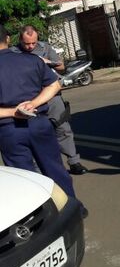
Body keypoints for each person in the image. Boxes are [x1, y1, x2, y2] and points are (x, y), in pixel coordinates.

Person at [0, 23, 82, 209]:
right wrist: (33, 104)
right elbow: (54, 85)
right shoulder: (32, 60)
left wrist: (13, 112)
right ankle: (72, 207)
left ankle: (42, 216)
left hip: (8, 130)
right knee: (55, 168)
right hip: (39, 122)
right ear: (8, 39)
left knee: (26, 177)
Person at [14, 26, 88, 175]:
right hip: (29, 98)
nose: (30, 46)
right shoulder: (13, 53)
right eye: (27, 44)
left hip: (52, 95)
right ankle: (35, 171)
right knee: (32, 133)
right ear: (20, 40)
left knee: (63, 128)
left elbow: (61, 67)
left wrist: (46, 61)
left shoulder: (45, 47)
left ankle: (74, 162)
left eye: (33, 43)